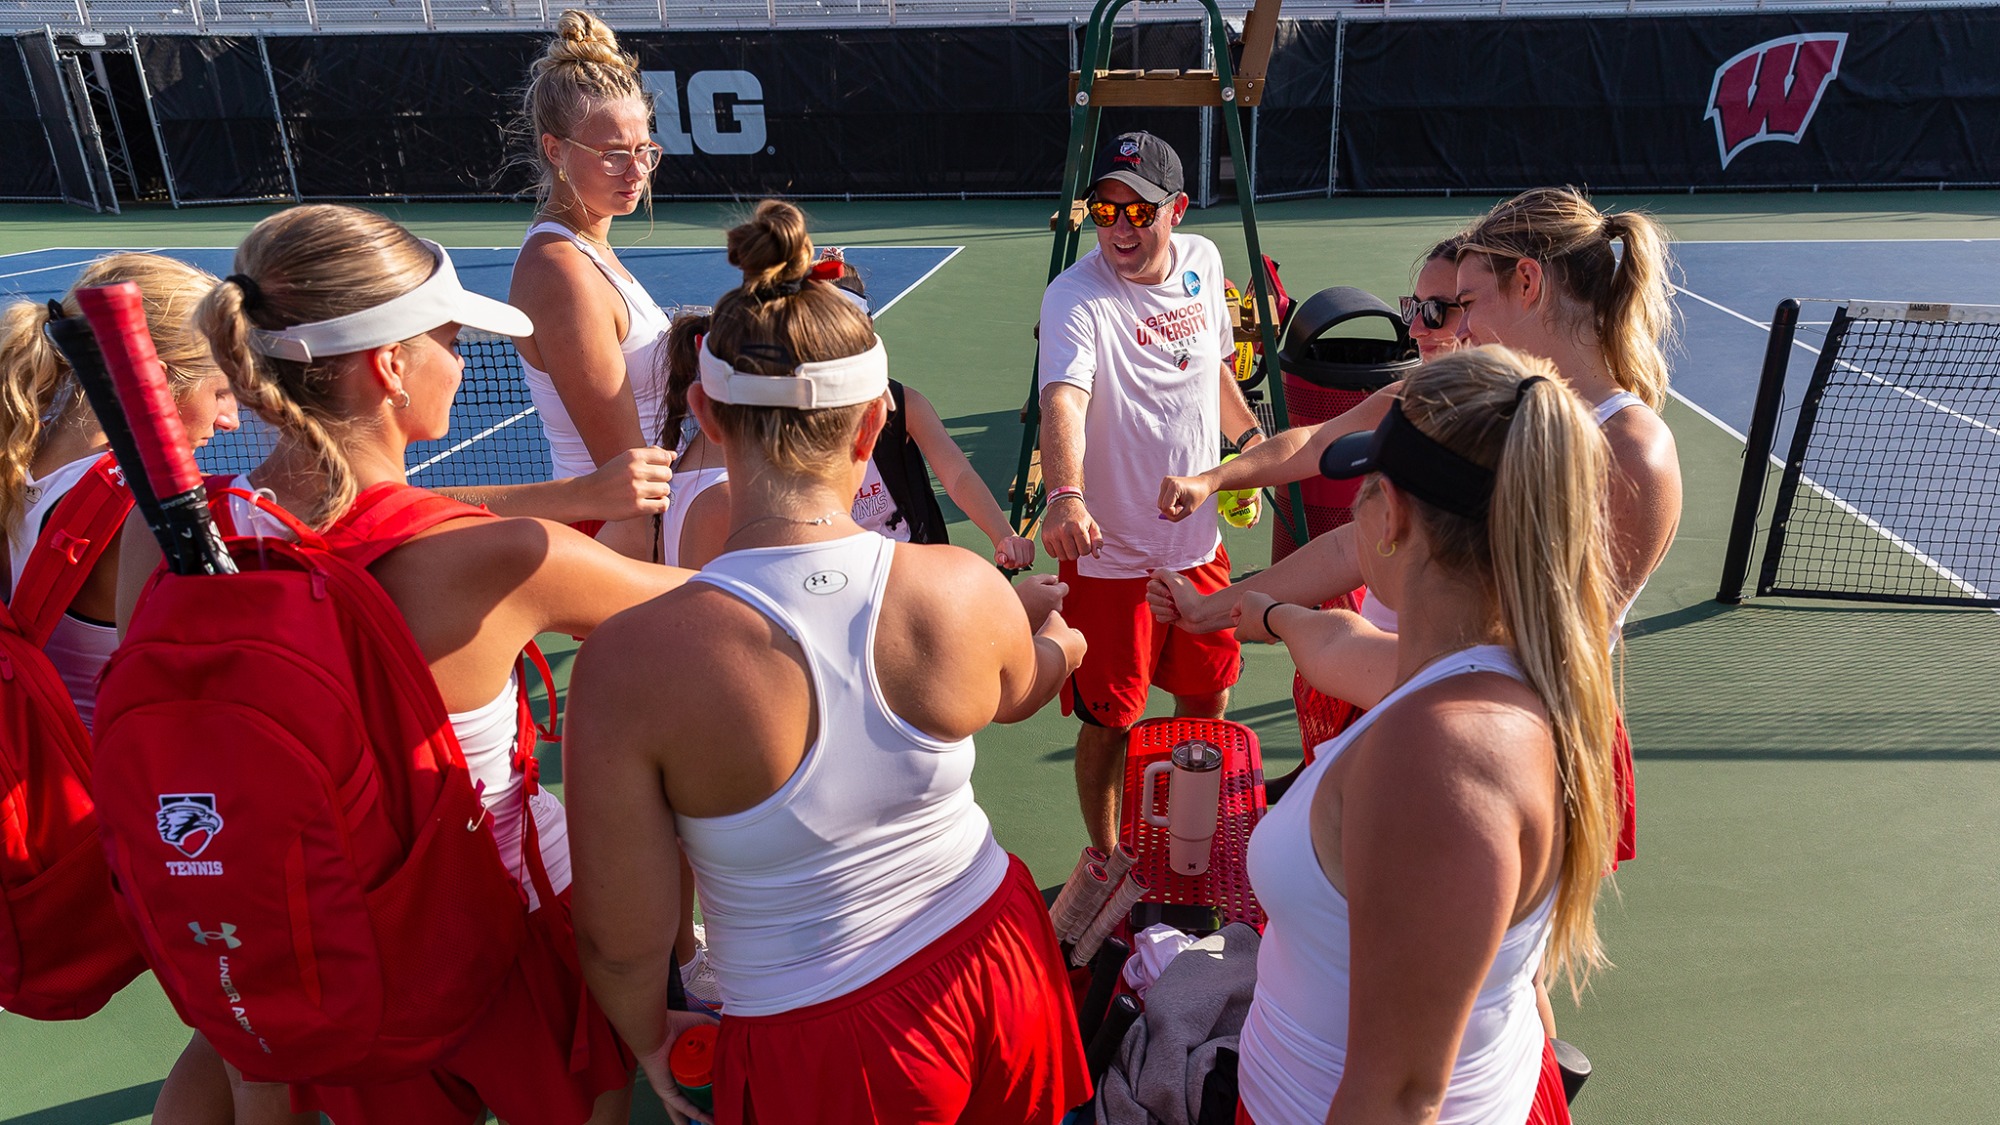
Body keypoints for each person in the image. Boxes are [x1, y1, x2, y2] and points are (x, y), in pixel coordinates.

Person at [122, 203, 693, 1125]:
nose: (461, 363)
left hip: (331, 950)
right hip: (508, 948)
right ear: (390, 365)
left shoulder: (164, 540)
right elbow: (745, 615)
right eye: (452, 341)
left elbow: (352, 522)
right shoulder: (507, 559)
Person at [564, 199, 1090, 1125]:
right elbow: (1024, 686)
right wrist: (1061, 641)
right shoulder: (962, 590)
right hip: (1002, 960)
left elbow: (622, 939)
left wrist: (648, 1036)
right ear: (872, 424)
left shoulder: (626, 663)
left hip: (818, 1035)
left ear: (703, 411)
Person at [1151, 186, 1678, 865]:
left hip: (1500, 757)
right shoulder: (1485, 403)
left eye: (1466, 302)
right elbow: (1360, 544)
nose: (1453, 328)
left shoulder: (1631, 452)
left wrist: (1293, 625)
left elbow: (1499, 673)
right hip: (1414, 713)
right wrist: (1227, 604)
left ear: (1527, 283)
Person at [1231, 347, 1617, 1125]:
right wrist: (1267, 613)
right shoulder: (1488, 673)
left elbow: (1400, 1098)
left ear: (1394, 515)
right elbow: (1338, 644)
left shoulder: (1439, 761)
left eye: (1365, 483)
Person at [1037, 130, 1267, 850]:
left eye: (1139, 211)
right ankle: (1107, 855)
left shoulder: (1204, 260)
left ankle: (1185, 839)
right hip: (1109, 558)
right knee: (1110, 720)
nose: (1120, 229)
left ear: (1178, 209)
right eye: (1105, 212)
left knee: (1208, 698)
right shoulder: (1074, 295)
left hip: (1197, 543)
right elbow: (1063, 399)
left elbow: (1213, 369)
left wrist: (1250, 446)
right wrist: (1065, 495)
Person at [0, 254, 238, 731]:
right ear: (152, 383)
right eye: (220, 392)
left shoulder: (15, 449)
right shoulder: (143, 511)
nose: (230, 419)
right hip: (103, 769)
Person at [509, 9, 677, 559]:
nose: (636, 171)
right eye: (612, 156)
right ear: (555, 150)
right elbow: (628, 472)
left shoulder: (591, 251)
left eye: (644, 150)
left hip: (655, 522)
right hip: (624, 537)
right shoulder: (561, 271)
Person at [821, 252, 1036, 568]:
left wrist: (1003, 534)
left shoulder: (904, 405)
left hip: (910, 563)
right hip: (836, 570)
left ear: (867, 326)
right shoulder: (784, 417)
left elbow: (958, 475)